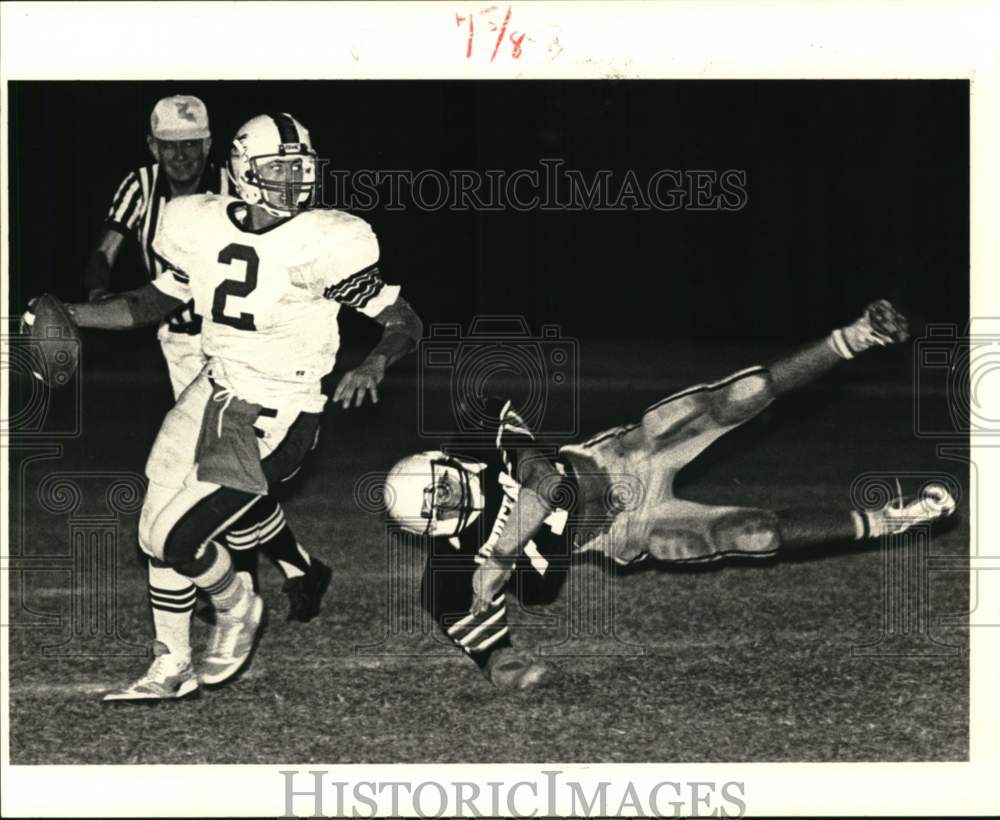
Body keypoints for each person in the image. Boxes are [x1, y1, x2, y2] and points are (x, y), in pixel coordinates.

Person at [383, 300, 957, 689]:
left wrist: (503, 556)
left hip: (624, 458)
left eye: (447, 488)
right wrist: (513, 668)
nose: (457, 502)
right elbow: (493, 657)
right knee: (752, 536)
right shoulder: (448, 573)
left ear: (445, 462)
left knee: (738, 396)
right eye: (445, 509)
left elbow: (549, 482)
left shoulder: (478, 435)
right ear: (431, 529)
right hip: (620, 530)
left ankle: (858, 335)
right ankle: (892, 520)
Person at [61, 112, 424, 698]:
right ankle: (171, 665)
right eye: (278, 169)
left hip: (279, 410)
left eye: (300, 168)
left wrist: (376, 360)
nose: (294, 181)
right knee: (154, 532)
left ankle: (235, 605)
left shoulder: (323, 241)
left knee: (182, 540)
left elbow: (402, 318)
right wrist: (73, 313)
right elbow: (150, 304)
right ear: (243, 172)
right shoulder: (197, 221)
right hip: (213, 384)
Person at [83, 98, 334, 698]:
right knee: (183, 493)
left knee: (207, 497)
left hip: (256, 365)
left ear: (213, 146)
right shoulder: (146, 192)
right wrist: (91, 301)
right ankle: (273, 578)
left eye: (192, 143)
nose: (181, 154)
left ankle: (249, 584)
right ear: (152, 147)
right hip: (185, 344)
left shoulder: (248, 194)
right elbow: (113, 253)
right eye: (170, 144)